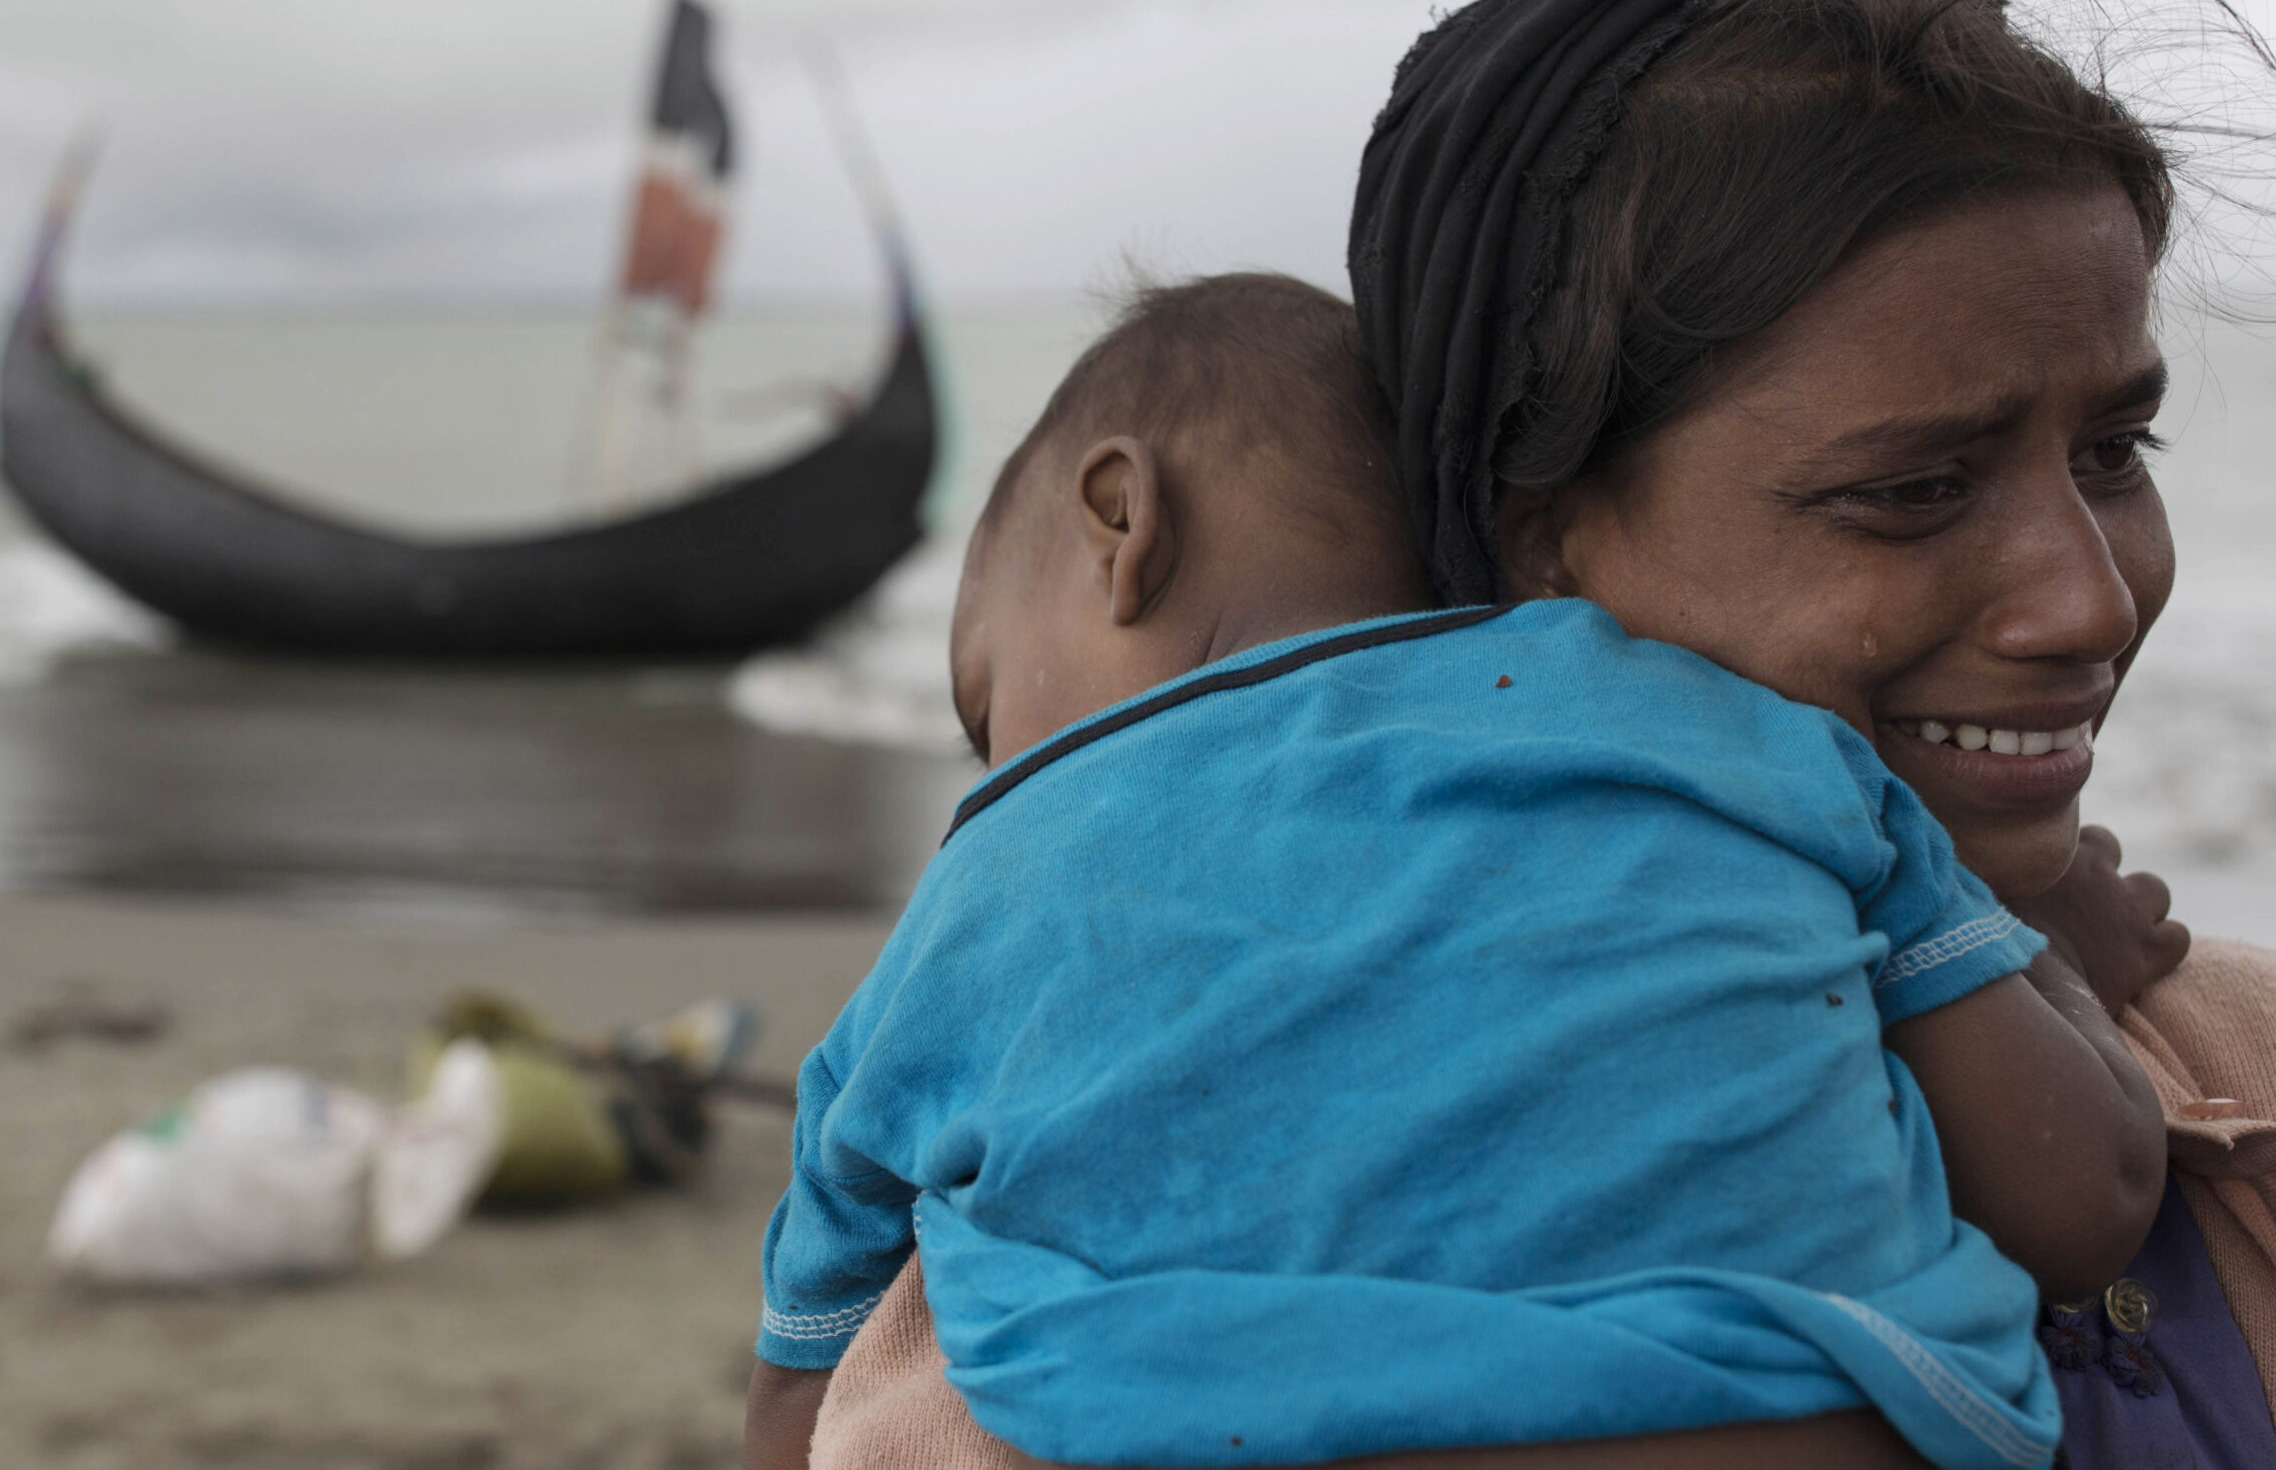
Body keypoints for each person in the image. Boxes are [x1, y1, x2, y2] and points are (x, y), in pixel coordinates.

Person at [744, 268, 2172, 1470]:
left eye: (982, 703)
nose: (1003, 768)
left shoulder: (987, 883)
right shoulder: (1741, 735)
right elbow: (2084, 1197)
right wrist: (2050, 955)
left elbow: (806, 1382)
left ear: (1122, 524)